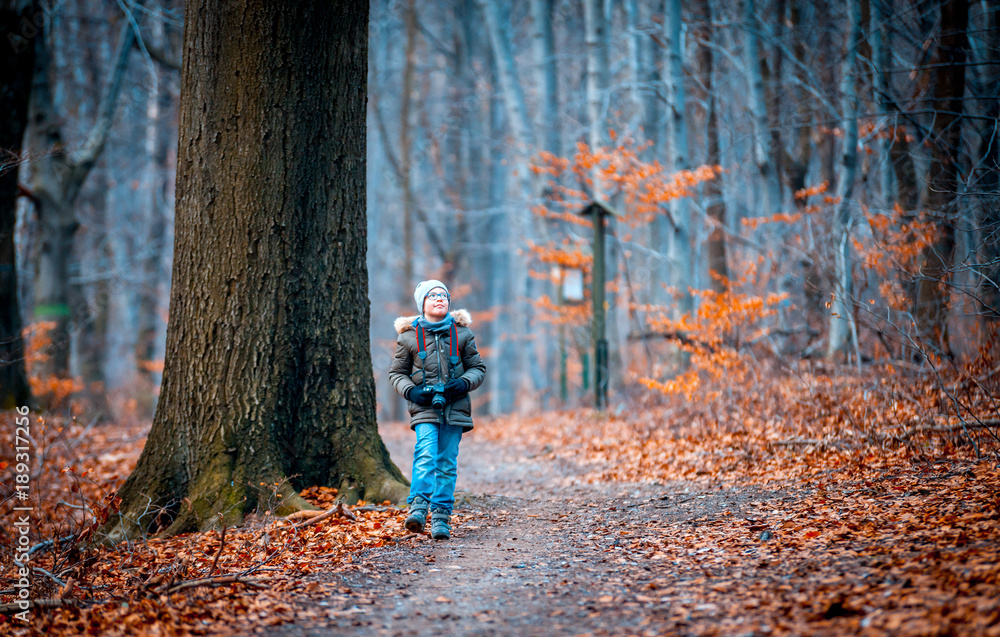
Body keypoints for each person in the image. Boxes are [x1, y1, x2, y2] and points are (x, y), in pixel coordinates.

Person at [389, 280, 486, 540]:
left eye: (443, 295)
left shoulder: (462, 334)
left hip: (455, 408)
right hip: (424, 407)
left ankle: (441, 517)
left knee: (446, 462)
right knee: (425, 454)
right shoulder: (408, 336)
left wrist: (463, 383)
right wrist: (412, 391)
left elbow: (478, 369)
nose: (439, 299)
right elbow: (397, 373)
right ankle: (418, 509)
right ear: (422, 303)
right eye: (432, 295)